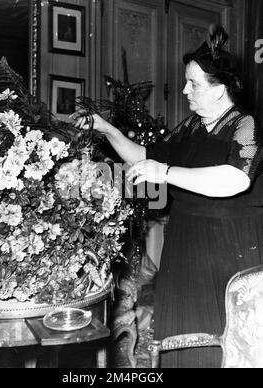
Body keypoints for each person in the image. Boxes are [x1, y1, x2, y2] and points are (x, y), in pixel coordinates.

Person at [73, 24, 263, 368]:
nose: (184, 89)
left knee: (224, 345)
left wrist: (167, 172)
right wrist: (108, 129)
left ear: (219, 90)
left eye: (194, 83)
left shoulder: (245, 124)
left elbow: (236, 179)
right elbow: (145, 156)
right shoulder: (191, 127)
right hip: (186, 244)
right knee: (181, 343)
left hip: (228, 250)